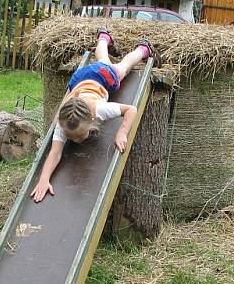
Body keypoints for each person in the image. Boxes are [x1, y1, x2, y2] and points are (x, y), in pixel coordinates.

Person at [30, 30, 160, 203]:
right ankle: (104, 39)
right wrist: (44, 179)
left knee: (122, 68)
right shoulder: (64, 122)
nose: (74, 141)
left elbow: (130, 110)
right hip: (78, 80)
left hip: (103, 78)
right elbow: (55, 153)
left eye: (77, 137)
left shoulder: (99, 109)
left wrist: (121, 132)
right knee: (103, 61)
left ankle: (142, 50)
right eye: (70, 137)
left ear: (92, 120)